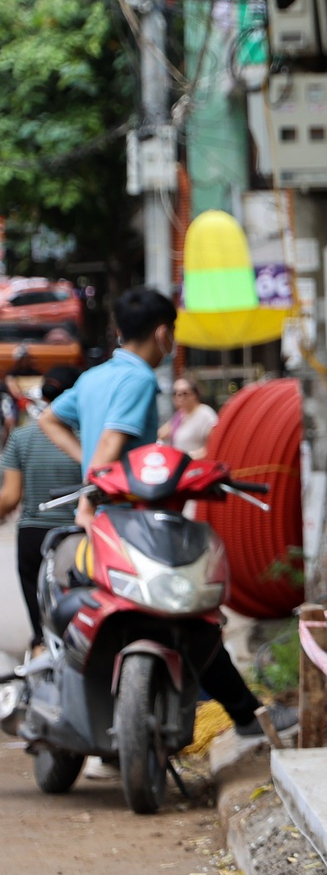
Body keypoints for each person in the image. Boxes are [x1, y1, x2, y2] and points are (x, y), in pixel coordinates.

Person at [39, 287, 271, 740]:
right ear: (163, 333)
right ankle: (246, 715)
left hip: (104, 518)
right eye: (174, 334)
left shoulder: (93, 377)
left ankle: (237, 714)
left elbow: (49, 419)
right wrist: (92, 491)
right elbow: (110, 444)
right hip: (132, 519)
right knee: (182, 611)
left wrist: (88, 473)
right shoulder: (141, 379)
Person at [0, 364, 80, 637]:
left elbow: (10, 498)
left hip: (33, 535)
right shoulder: (91, 438)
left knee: (39, 610)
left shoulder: (21, 438)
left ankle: (38, 642)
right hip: (76, 535)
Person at [160, 378, 217, 456]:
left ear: (194, 394)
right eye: (175, 393)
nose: (179, 397)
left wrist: (190, 456)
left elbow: (214, 446)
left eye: (184, 393)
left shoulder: (206, 414)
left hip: (196, 465)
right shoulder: (179, 415)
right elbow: (161, 434)